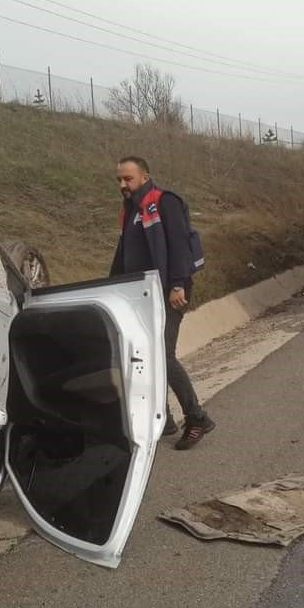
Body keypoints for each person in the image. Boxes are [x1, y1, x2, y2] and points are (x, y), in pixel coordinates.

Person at [110, 156, 216, 450]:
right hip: (143, 294)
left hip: (170, 291)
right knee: (147, 356)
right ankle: (165, 420)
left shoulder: (163, 201)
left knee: (163, 356)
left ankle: (197, 419)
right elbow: (123, 254)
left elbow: (179, 244)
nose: (122, 184)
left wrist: (178, 283)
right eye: (119, 179)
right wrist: (110, 287)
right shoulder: (131, 210)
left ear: (144, 176)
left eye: (128, 179)